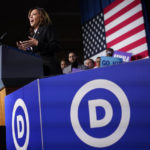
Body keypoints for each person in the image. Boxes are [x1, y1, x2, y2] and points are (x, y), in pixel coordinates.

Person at [16, 7, 62, 76]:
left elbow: (56, 46)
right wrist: (26, 50)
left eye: (34, 14)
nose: (30, 16)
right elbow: (37, 52)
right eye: (29, 16)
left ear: (41, 17)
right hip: (38, 71)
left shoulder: (47, 28)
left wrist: (37, 43)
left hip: (50, 70)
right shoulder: (34, 35)